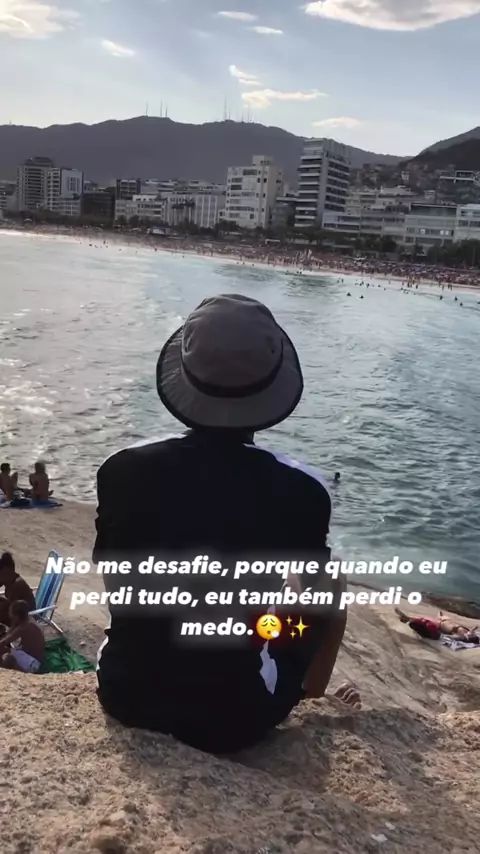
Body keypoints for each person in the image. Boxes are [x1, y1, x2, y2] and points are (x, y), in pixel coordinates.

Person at [93, 293, 360, 755]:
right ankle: (310, 689)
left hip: (125, 692)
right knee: (326, 585)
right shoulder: (303, 490)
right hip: (235, 718)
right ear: (273, 384)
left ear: (184, 375)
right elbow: (303, 605)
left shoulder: (121, 468)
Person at [0, 600, 45, 672]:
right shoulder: (30, 621)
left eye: (12, 616)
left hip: (32, 663)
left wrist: (13, 625)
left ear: (16, 616)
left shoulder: (23, 628)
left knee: (5, 653)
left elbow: (3, 642)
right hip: (36, 661)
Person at [0, 552, 36, 625]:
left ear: (6, 572)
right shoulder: (12, 582)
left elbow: (14, 612)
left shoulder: (16, 587)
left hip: (24, 620)